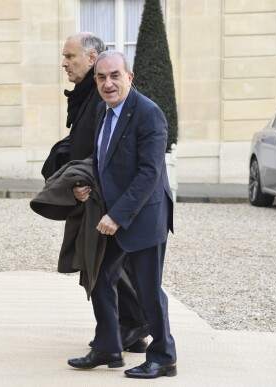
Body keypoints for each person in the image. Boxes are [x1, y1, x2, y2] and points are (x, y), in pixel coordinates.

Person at [68, 50, 177, 379]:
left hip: (143, 216)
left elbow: (149, 173)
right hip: (112, 214)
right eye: (101, 77)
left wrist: (116, 216)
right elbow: (104, 160)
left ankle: (164, 356)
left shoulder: (149, 114)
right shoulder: (104, 110)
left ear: (129, 77)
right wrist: (85, 186)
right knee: (99, 277)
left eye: (115, 75)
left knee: (147, 290)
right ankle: (107, 347)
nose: (107, 83)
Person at [59, 32, 149, 353]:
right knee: (103, 264)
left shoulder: (103, 95)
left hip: (107, 198)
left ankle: (132, 323)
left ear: (91, 58)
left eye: (70, 56)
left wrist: (90, 185)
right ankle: (129, 329)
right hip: (93, 193)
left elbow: (118, 153)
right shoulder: (87, 95)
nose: (65, 63)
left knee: (101, 265)